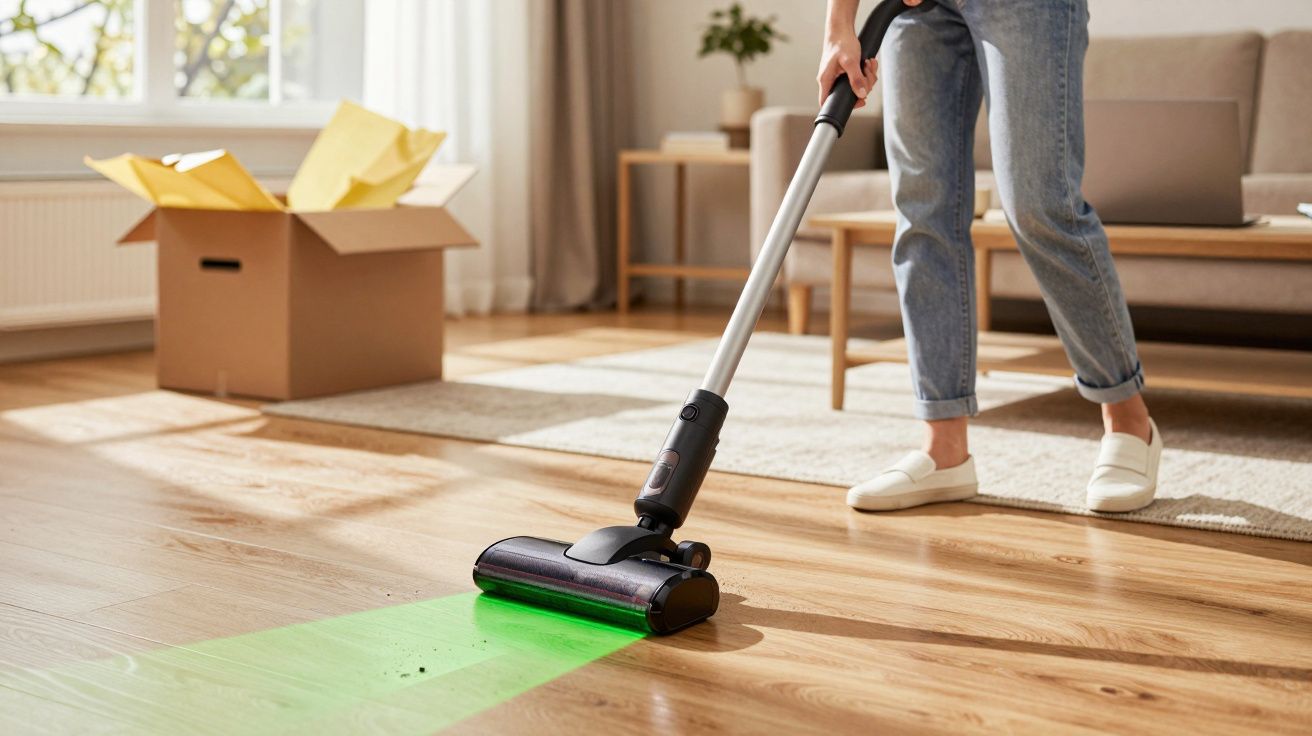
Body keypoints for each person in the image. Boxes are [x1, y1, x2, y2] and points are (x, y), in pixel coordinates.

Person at [818, 0, 1162, 513]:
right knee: (921, 211)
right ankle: (944, 449)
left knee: (1041, 207)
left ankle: (1130, 422)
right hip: (918, 12)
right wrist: (839, 23)